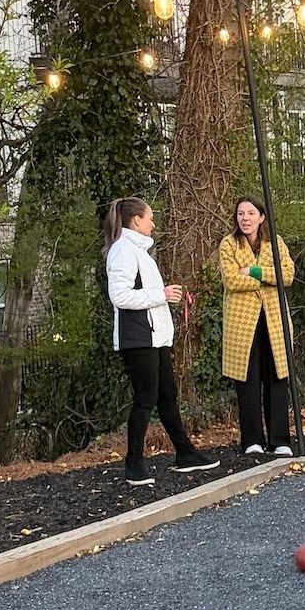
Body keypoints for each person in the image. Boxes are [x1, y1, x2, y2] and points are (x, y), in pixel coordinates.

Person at [104, 197, 218, 483]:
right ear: (137, 220)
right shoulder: (123, 251)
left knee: (167, 395)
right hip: (138, 338)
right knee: (145, 400)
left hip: (154, 337)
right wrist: (162, 295)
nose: (153, 224)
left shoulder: (139, 251)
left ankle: (185, 453)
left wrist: (163, 297)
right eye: (150, 218)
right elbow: (120, 296)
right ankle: (133, 464)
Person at [218, 196, 296, 457]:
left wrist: (253, 272)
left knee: (278, 377)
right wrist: (268, 278)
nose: (245, 218)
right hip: (243, 324)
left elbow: (287, 275)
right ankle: (252, 440)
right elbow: (231, 280)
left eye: (251, 213)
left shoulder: (275, 243)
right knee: (248, 379)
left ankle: (279, 440)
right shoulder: (229, 244)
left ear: (261, 217)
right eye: (241, 213)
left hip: (274, 320)